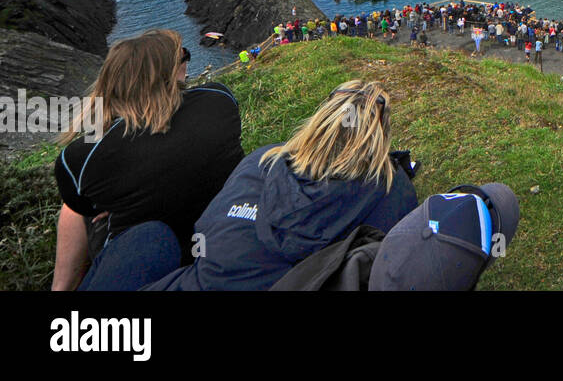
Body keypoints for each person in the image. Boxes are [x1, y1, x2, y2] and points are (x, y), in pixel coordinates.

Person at [148, 80, 417, 291]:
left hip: (195, 283)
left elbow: (205, 228)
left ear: (319, 120)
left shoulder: (263, 160)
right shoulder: (393, 191)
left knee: (150, 237)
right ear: (381, 134)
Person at [52, 29, 243, 291]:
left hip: (142, 265)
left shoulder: (80, 157)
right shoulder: (219, 100)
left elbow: (85, 207)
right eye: (182, 56)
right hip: (224, 246)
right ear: (167, 72)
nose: (187, 60)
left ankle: (61, 288)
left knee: (74, 209)